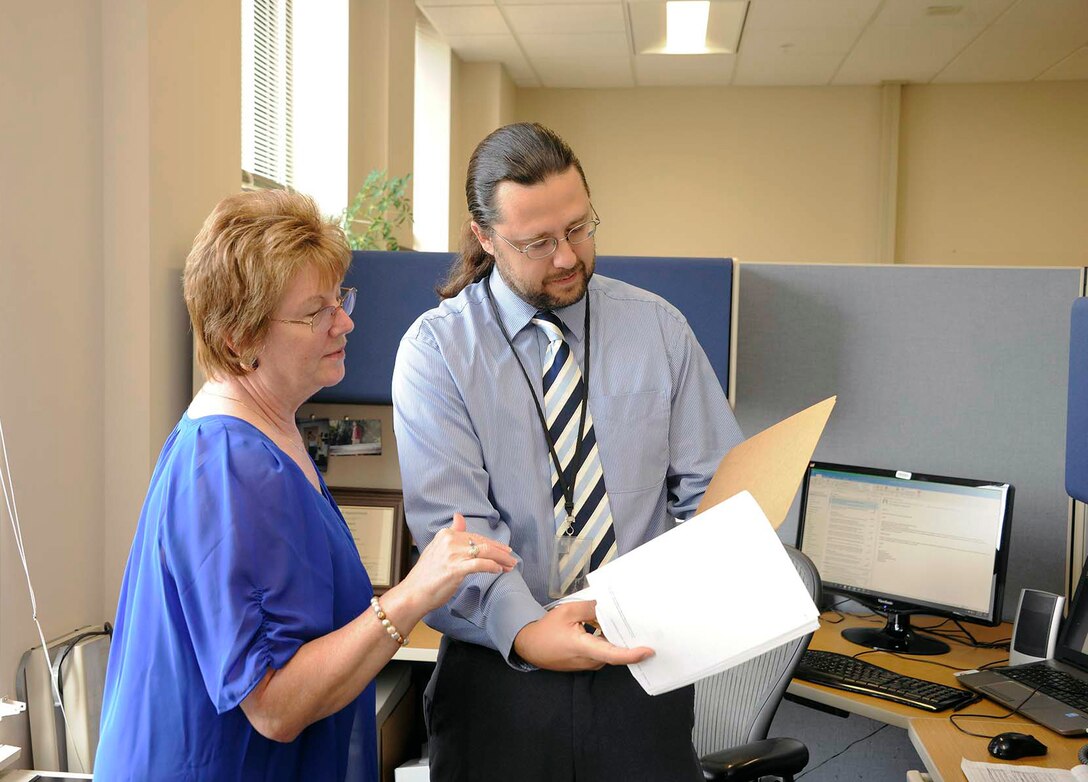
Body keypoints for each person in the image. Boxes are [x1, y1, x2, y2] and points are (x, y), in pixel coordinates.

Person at [95, 190, 516, 782]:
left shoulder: (270, 435)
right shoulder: (230, 465)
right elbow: (274, 704)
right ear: (240, 338)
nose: (344, 321)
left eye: (339, 298)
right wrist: (412, 594)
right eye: (313, 312)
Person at [392, 122, 745, 781]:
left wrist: (669, 598)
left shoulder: (658, 329)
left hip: (641, 663)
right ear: (485, 237)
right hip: (498, 680)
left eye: (579, 229)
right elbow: (457, 534)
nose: (566, 258)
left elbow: (715, 497)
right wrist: (530, 633)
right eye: (538, 242)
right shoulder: (437, 352)